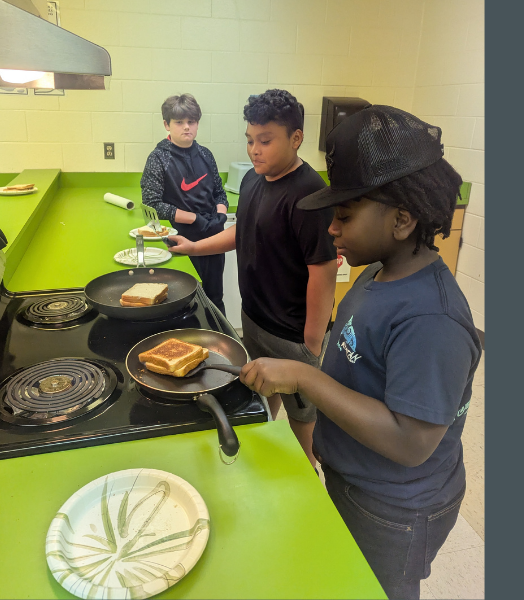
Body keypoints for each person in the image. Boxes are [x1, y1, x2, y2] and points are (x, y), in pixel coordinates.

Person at [239, 105, 482, 600]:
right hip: (356, 482)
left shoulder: (430, 320)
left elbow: (411, 442)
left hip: (396, 510)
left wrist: (305, 378)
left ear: (402, 219)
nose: (332, 229)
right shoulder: (378, 272)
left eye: (345, 217)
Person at [168, 89, 338, 467]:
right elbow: (240, 231)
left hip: (294, 335)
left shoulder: (311, 194)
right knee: (262, 400)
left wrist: (310, 346)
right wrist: (193, 248)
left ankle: (310, 485)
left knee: (303, 423)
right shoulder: (252, 181)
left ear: (296, 139)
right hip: (255, 321)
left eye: (265, 141)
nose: (254, 150)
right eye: (250, 140)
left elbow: (323, 273)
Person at [141, 93, 228, 314]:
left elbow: (219, 191)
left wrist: (221, 214)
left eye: (192, 121)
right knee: (187, 302)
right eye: (179, 122)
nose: (186, 127)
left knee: (215, 298)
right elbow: (152, 204)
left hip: (213, 237)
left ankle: (221, 343)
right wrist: (194, 219)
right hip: (181, 240)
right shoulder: (158, 158)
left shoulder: (206, 155)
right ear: (166, 125)